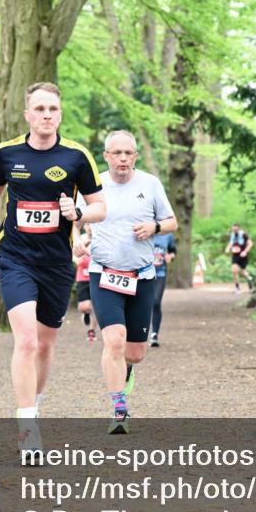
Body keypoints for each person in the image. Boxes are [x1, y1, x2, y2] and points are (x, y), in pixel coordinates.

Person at [0, 82, 106, 464]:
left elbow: (100, 207)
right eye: (40, 109)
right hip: (15, 257)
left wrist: (77, 213)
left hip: (57, 262)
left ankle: (35, 403)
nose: (47, 115)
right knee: (26, 341)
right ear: (27, 114)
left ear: (60, 115)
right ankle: (28, 429)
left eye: (53, 109)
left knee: (45, 345)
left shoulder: (77, 157)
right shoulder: (7, 153)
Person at [73, 130, 177, 434]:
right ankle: (119, 409)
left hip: (141, 275)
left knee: (134, 352)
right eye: (116, 153)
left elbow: (171, 222)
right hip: (103, 273)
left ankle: (127, 369)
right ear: (106, 156)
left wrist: (154, 226)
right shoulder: (94, 187)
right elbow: (74, 221)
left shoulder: (150, 184)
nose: (122, 158)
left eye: (128, 153)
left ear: (135, 156)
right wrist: (77, 240)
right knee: (114, 340)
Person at [149, 232, 176, 347]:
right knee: (143, 304)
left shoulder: (168, 235)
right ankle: (140, 334)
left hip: (161, 273)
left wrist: (171, 256)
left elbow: (173, 251)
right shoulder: (146, 232)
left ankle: (154, 334)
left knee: (156, 302)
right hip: (145, 274)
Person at [74, 247, 96, 341]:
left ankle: (92, 331)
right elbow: (74, 256)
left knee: (95, 306)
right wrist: (76, 259)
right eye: (88, 230)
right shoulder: (82, 238)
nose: (90, 230)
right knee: (84, 307)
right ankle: (86, 313)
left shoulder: (100, 237)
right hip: (82, 279)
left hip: (95, 277)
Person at [224, 224, 253, 293]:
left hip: (243, 255)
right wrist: (228, 248)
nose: (234, 231)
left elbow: (250, 244)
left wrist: (245, 251)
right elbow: (231, 243)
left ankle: (250, 281)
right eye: (233, 230)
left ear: (239, 229)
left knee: (243, 272)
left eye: (236, 230)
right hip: (235, 255)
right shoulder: (232, 235)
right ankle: (237, 289)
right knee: (234, 271)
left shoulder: (243, 234)